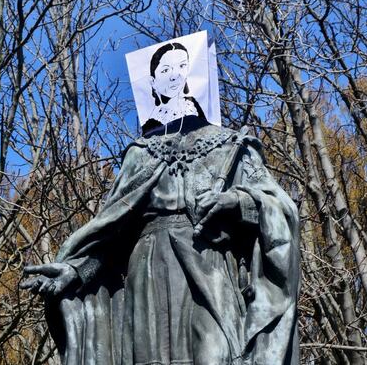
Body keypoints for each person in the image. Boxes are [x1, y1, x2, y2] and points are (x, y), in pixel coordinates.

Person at [22, 114, 300, 365]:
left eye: (182, 66)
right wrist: (77, 271)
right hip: (148, 273)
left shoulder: (233, 145)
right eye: (165, 69)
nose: (175, 77)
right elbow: (111, 232)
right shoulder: (140, 153)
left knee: (218, 353)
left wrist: (235, 200)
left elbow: (280, 208)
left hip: (209, 267)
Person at [142, 42, 206, 135]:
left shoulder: (192, 105)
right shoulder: (152, 124)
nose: (175, 75)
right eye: (165, 70)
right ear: (153, 81)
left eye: (182, 66)